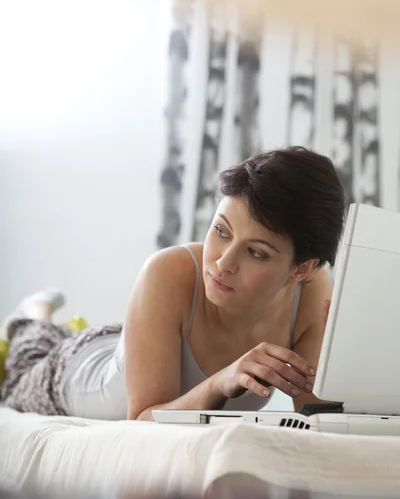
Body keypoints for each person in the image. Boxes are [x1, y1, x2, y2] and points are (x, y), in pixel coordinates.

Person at [0, 146, 345, 420]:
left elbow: (316, 414)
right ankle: (37, 313)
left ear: (301, 270)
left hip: (134, 345)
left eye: (255, 252)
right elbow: (142, 419)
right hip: (79, 370)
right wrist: (221, 382)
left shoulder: (313, 292)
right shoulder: (167, 271)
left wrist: (346, 361)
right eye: (221, 231)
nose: (223, 263)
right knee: (22, 369)